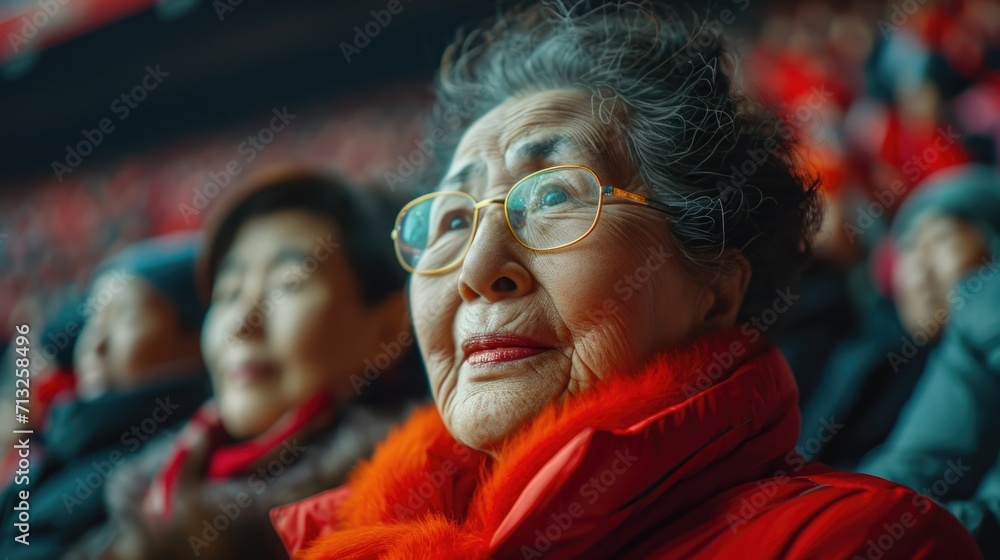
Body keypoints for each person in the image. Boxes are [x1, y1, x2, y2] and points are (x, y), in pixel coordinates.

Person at [272, 3, 981, 558]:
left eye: (552, 197)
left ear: (715, 289)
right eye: (453, 220)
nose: (480, 273)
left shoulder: (858, 542)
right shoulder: (300, 541)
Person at [80, 168, 425, 559]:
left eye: (288, 284)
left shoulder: (401, 508)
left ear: (388, 329)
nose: (242, 324)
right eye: (228, 293)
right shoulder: (141, 489)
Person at [0, 234, 212, 560]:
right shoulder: (64, 442)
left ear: (198, 336)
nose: (95, 344)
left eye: (125, 316)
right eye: (93, 320)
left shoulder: (178, 470)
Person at [860, 164, 1000, 557]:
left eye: (937, 238)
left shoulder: (984, 310)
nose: (917, 264)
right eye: (907, 247)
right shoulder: (880, 352)